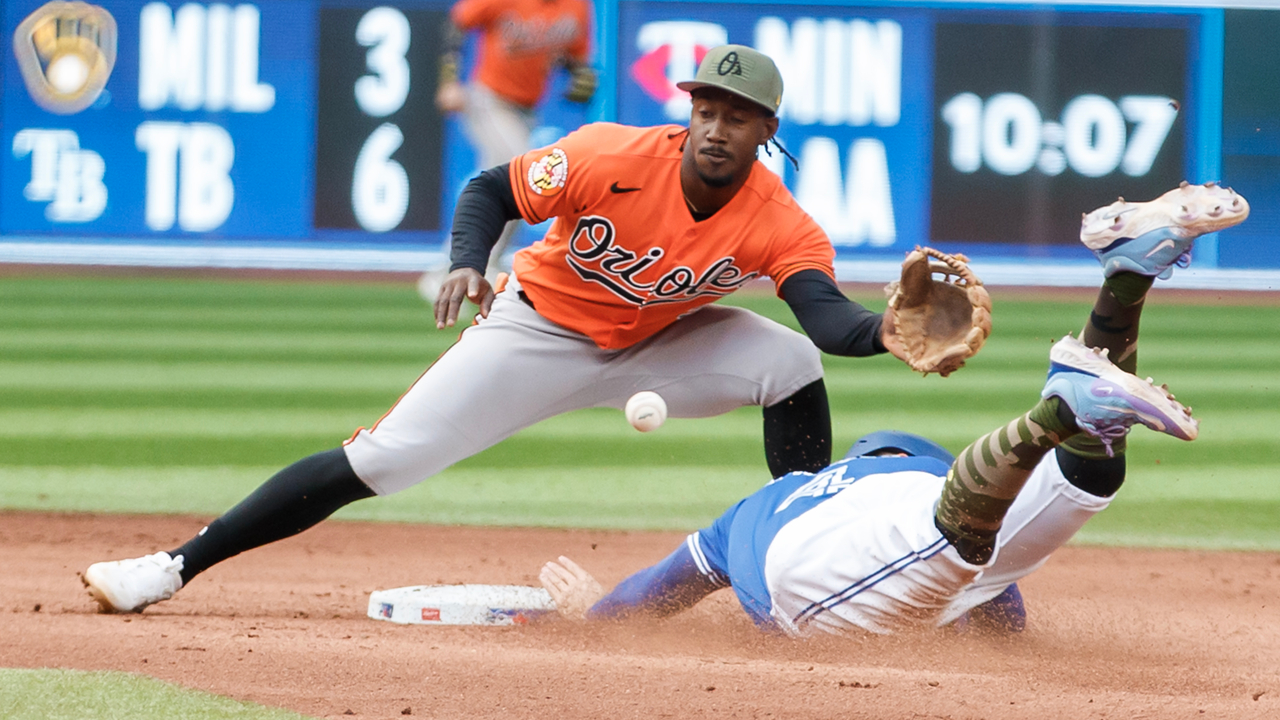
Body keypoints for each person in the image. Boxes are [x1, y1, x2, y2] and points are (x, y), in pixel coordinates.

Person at [83, 46, 916, 614]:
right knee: (382, 460)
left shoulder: (781, 223)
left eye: (738, 114)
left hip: (660, 349)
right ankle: (171, 567)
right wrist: (465, 260)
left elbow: (826, 315)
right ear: (689, 108)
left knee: (790, 361)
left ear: (767, 130)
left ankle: (799, 565)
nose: (716, 125)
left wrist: (891, 332)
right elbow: (491, 189)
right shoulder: (610, 155)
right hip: (538, 331)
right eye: (707, 105)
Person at [539, 181, 1249, 636]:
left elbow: (647, 598)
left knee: (960, 540)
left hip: (811, 571)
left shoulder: (754, 519)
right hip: (916, 516)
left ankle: (1060, 409)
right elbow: (990, 595)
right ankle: (1126, 277)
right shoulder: (899, 473)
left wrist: (590, 614)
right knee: (1079, 480)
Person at [419, 0, 597, 300]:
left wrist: (579, 75)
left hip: (528, 109)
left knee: (503, 187)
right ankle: (483, 263)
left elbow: (571, 55)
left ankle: (446, 270)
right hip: (489, 98)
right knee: (520, 172)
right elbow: (456, 25)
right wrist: (449, 82)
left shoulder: (576, 7)